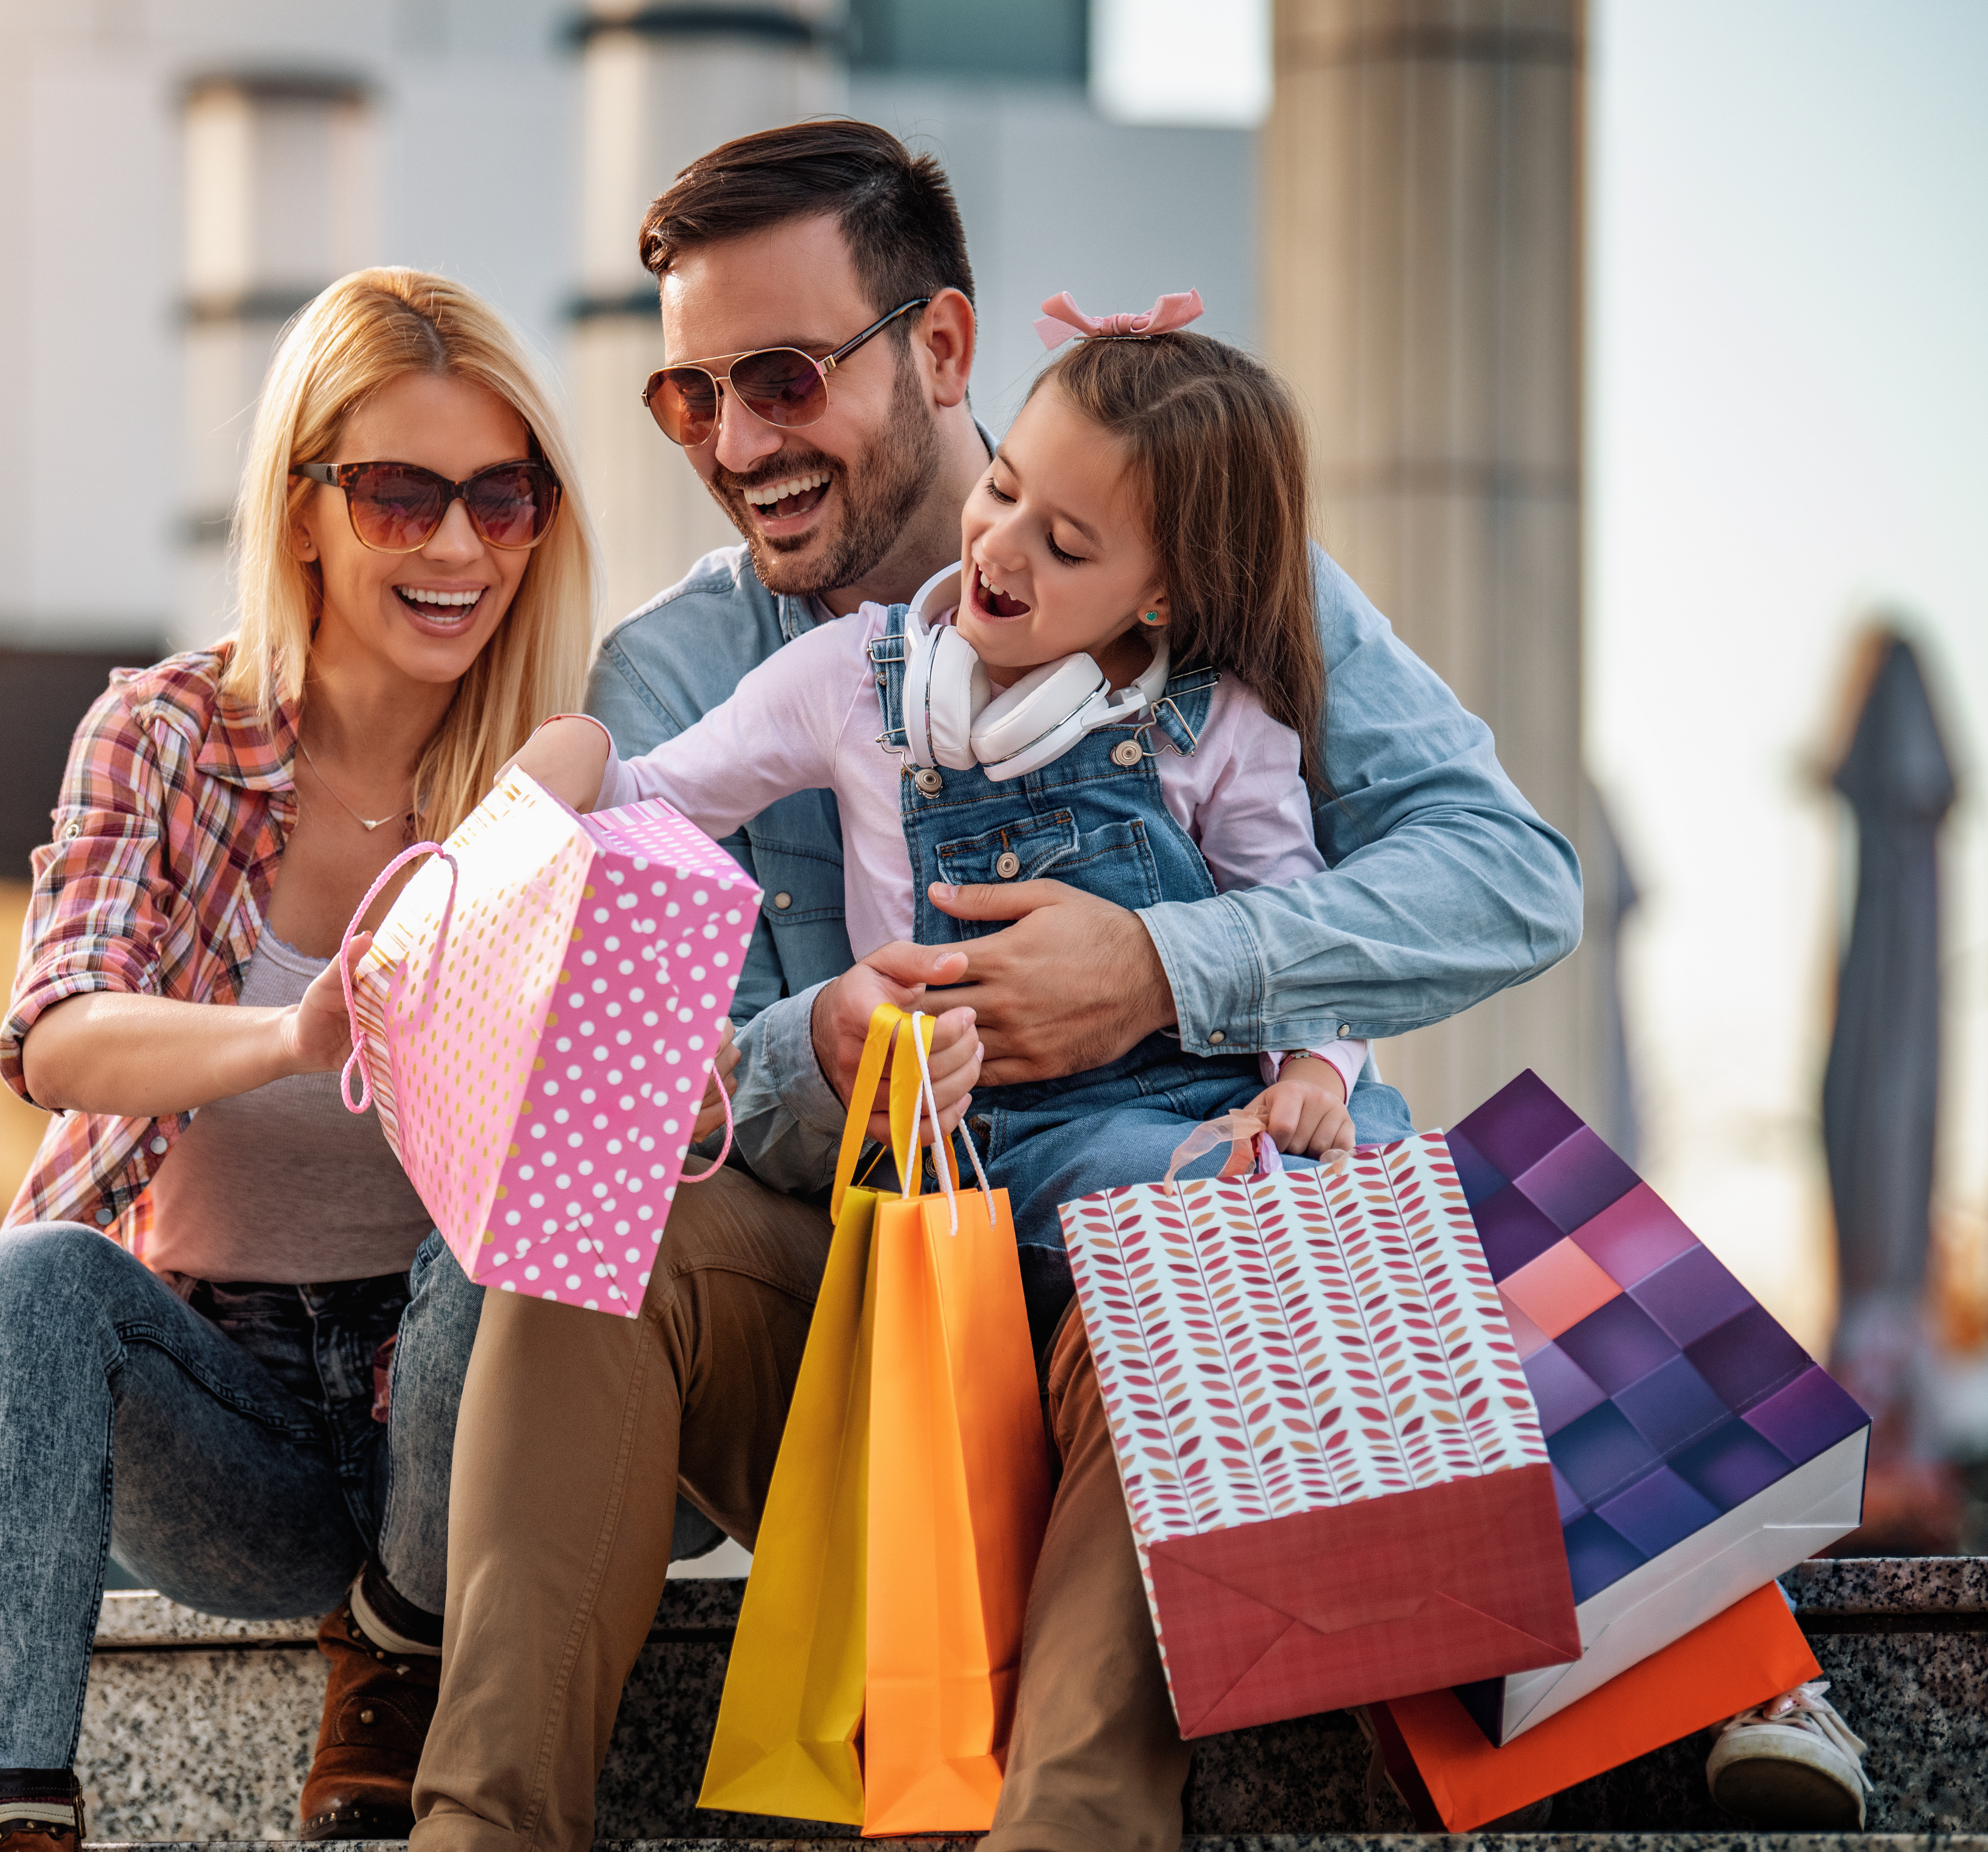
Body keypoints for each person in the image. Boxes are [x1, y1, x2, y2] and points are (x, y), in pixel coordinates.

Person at [395, 120, 1865, 1852]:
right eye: (688, 397)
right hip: (866, 1329)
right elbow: (627, 1078)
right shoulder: (696, 661)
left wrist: (1163, 965)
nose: (737, 442)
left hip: (1167, 1281)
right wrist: (819, 1044)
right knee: (593, 1216)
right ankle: (481, 1829)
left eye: (782, 378)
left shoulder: (1218, 573)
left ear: (942, 349)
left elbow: (1508, 875)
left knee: (1258, 1234)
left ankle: (1144, 1793)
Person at [0, 267, 684, 1852]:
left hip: (476, 1417)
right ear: (305, 512)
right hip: (239, 1419)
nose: (459, 548)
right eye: (403, 495)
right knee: (31, 1282)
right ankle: (3, 1817)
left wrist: (556, 795)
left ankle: (397, 1645)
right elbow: (58, 1029)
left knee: (508, 1232)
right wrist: (298, 1027)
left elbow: (625, 1136)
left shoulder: (582, 755)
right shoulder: (166, 734)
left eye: (502, 495)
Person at [509, 295, 1410, 1216]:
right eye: (1005, 489)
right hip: (993, 1155)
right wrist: (582, 757)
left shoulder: (1223, 724)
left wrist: (1314, 1076)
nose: (999, 548)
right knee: (1231, 1209)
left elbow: (1289, 929)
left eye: (1063, 545)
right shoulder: (850, 678)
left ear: (1161, 598)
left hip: (1228, 1117)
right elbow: (651, 803)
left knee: (1414, 1196)